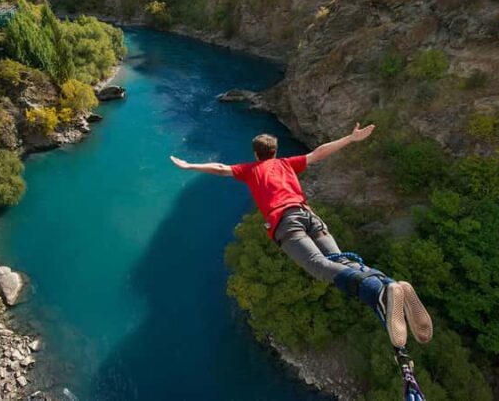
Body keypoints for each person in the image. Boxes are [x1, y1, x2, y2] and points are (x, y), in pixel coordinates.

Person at [169, 123, 432, 348]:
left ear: (255, 154)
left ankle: (379, 293)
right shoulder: (286, 163)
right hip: (309, 215)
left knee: (319, 266)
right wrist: (351, 139)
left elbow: (221, 167)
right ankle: (387, 283)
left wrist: (190, 165)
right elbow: (318, 153)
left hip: (285, 222)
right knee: (340, 260)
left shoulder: (250, 170)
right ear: (275, 151)